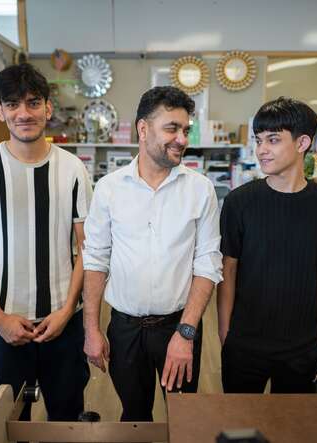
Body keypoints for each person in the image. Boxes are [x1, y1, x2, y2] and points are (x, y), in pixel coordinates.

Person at [0, 63, 91, 420]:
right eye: (12, 104)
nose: (23, 113)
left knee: (66, 418)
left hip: (62, 322)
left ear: (48, 107)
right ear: (0, 111)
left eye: (32, 103)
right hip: (1, 324)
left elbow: (87, 250)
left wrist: (65, 311)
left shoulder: (73, 168)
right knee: (5, 423)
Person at [82, 86, 222, 421]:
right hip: (125, 330)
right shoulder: (108, 189)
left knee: (183, 416)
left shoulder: (200, 190)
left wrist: (186, 334)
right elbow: (95, 260)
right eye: (171, 128)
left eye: (185, 130)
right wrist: (91, 330)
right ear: (143, 129)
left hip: (178, 326)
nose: (181, 138)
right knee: (134, 415)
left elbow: (207, 263)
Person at [218, 96, 317, 394]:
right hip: (244, 342)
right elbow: (228, 269)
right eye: (258, 140)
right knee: (238, 424)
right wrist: (225, 331)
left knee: (292, 428)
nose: (261, 149)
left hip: (302, 345)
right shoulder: (239, 202)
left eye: (273, 139)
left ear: (302, 142)